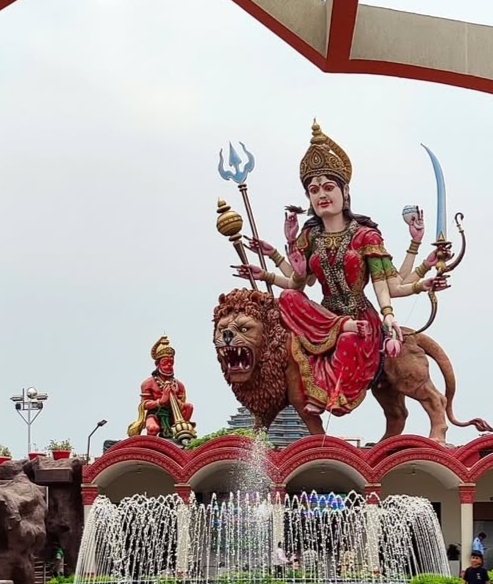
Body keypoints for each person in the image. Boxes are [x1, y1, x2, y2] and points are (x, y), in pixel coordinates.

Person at [236, 122, 449, 420]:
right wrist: (270, 267)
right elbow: (298, 284)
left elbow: (387, 285)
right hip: (324, 318)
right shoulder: (309, 237)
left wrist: (391, 312)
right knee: (286, 299)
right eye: (314, 190)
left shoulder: (365, 236)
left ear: (344, 190)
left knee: (348, 339)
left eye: (328, 187)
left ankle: (333, 392)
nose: (321, 195)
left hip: (359, 320)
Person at [127, 336, 196, 441]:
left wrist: (174, 399)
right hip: (155, 414)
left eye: (171, 363)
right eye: (165, 362)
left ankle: (178, 433)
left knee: (189, 407)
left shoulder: (179, 385)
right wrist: (161, 401)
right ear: (157, 364)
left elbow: (182, 405)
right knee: (153, 428)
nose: (169, 365)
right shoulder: (148, 383)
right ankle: (151, 446)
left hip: (173, 415)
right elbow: (144, 404)